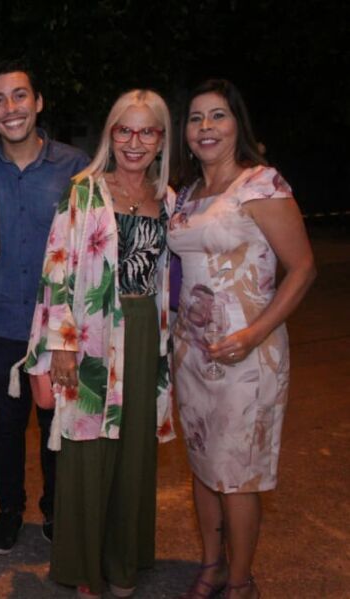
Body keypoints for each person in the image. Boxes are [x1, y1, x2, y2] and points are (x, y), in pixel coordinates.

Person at [21, 89, 177, 599]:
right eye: (124, 129)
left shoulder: (168, 198)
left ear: (161, 139)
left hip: (144, 334)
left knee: (134, 452)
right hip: (89, 335)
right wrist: (61, 346)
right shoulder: (84, 191)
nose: (135, 142)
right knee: (88, 451)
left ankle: (122, 562)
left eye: (147, 131)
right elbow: (56, 271)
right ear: (110, 134)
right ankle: (86, 567)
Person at [168, 79, 315, 599]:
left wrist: (253, 334)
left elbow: (303, 268)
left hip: (247, 355)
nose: (205, 127)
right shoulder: (188, 193)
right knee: (204, 465)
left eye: (218, 116)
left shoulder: (261, 185)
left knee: (238, 474)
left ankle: (240, 580)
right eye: (195, 118)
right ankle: (211, 566)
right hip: (191, 354)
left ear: (237, 125)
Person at [0, 60, 89, 554]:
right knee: (6, 423)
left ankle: (56, 509)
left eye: (20, 95)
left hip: (58, 328)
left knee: (55, 423)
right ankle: (9, 511)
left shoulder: (75, 167)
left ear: (38, 102)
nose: (11, 108)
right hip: (0, 322)